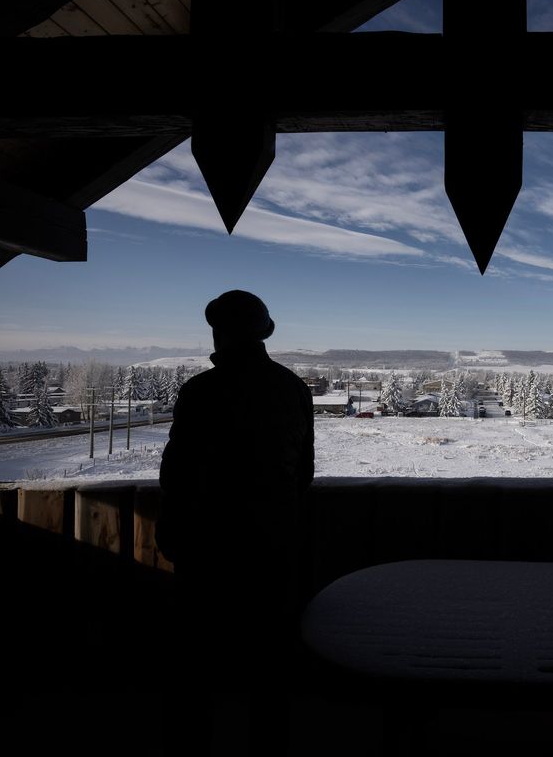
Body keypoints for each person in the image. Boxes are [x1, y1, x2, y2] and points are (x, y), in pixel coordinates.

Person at [156, 289, 314, 755]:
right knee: (271, 663)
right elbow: (301, 472)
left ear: (217, 333)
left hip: (204, 545)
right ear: (265, 331)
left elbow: (176, 473)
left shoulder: (200, 391)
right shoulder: (291, 388)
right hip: (274, 543)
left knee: (194, 663)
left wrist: (176, 531)